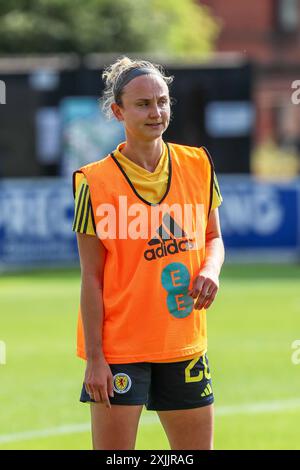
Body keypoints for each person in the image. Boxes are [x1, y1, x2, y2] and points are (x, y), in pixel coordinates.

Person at [72, 56, 225, 450]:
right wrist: (95, 359)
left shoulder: (198, 164)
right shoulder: (94, 181)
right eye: (143, 104)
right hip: (119, 348)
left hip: (183, 341)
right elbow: (91, 276)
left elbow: (213, 237)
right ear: (118, 111)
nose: (156, 112)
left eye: (162, 101)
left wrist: (211, 268)